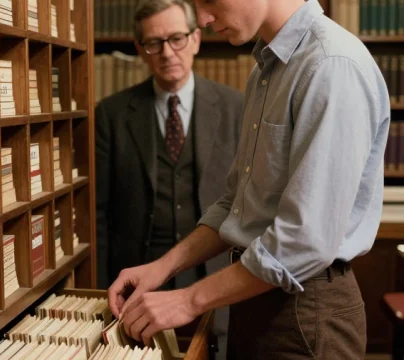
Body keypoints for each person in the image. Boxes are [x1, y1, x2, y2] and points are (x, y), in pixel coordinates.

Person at [108, 0, 391, 358]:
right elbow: (235, 205)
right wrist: (161, 268)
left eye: (209, 1)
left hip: (306, 312)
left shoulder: (331, 65)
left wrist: (187, 300)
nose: (205, 20)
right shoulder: (264, 70)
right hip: (250, 296)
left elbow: (304, 242)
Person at [95, 0, 244, 357]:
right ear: (139, 49)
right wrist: (100, 293)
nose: (167, 53)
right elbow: (98, 215)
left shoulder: (237, 107)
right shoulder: (111, 115)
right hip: (139, 284)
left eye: (176, 38)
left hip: (214, 278)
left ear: (195, 39)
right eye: (154, 43)